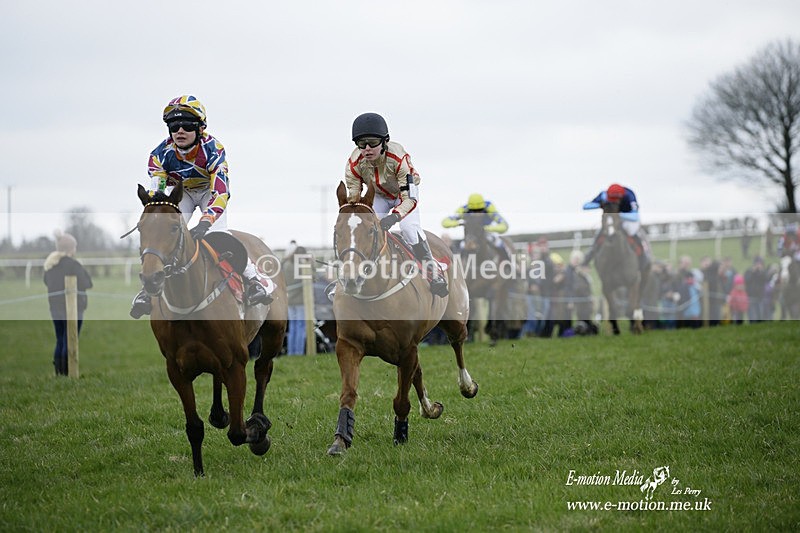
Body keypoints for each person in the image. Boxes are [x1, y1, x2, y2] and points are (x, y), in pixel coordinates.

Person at [130, 95, 271, 318]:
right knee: (163, 235)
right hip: (181, 193)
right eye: (174, 126)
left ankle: (253, 280)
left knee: (218, 234)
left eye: (186, 125)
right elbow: (159, 193)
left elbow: (221, 192)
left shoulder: (214, 149)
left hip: (209, 191)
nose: (180, 130)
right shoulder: (159, 155)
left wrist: (205, 223)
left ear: (200, 128)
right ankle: (147, 291)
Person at [343, 112, 447, 297]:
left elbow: (410, 199)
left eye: (373, 143)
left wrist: (395, 216)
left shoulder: (399, 158)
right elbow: (355, 198)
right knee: (362, 227)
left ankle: (433, 271)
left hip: (404, 195)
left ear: (384, 142)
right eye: (361, 144)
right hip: (380, 196)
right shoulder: (353, 164)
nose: (367, 149)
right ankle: (355, 274)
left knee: (408, 228)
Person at [43, 232, 93, 376]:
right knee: (69, 340)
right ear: (71, 248)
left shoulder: (50, 265)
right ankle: (68, 371)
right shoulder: (74, 265)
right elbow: (87, 283)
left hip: (54, 308)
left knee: (60, 339)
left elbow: (46, 281)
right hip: (73, 309)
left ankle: (59, 372)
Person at [582, 183, 650, 271]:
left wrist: (619, 214)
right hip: (611, 220)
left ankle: (643, 257)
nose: (613, 202)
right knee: (600, 233)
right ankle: (587, 259)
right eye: (611, 200)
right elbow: (585, 206)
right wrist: (600, 204)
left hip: (628, 220)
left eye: (615, 201)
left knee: (632, 232)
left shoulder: (629, 195)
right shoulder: (604, 194)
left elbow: (635, 216)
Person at [441, 193, 513, 260]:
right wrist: (458, 223)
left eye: (479, 210)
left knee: (499, 243)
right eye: (473, 211)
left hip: (487, 232)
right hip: (472, 234)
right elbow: (445, 222)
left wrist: (487, 228)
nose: (476, 213)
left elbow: (504, 226)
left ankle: (509, 266)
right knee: (462, 246)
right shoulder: (464, 209)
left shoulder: (489, 207)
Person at [283, 245, 309, 355]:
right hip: (300, 301)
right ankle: (298, 352)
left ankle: (291, 352)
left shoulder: (287, 265)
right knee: (301, 327)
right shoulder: (302, 266)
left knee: (292, 327)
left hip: (289, 300)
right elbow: (311, 277)